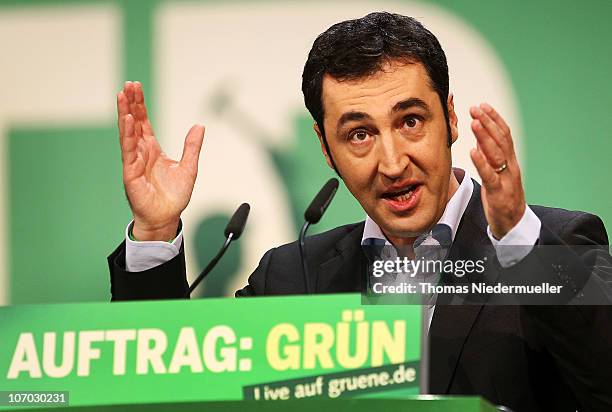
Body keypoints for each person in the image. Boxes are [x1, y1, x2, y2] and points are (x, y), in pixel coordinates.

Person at [108, 12, 612, 411]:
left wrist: (521, 246)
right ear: (326, 149)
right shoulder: (292, 277)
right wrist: (155, 231)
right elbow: (170, 391)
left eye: (411, 121)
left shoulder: (559, 245)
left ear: (451, 118)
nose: (392, 163)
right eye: (359, 134)